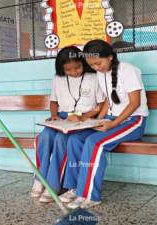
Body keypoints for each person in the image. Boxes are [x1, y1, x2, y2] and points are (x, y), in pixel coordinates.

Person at [64, 39, 149, 209]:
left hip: (133, 121)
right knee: (75, 139)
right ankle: (75, 188)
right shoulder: (101, 73)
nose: (96, 68)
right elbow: (107, 102)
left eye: (98, 63)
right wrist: (95, 120)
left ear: (110, 56)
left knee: (95, 143)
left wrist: (112, 124)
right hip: (111, 119)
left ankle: (89, 195)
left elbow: (134, 103)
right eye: (92, 65)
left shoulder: (128, 71)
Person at [31, 46, 105, 203]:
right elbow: (53, 101)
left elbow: (100, 105)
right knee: (44, 137)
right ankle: (40, 178)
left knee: (60, 140)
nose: (74, 72)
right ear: (61, 69)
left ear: (83, 63)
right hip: (63, 119)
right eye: (68, 70)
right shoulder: (58, 78)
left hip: (84, 120)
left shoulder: (94, 76)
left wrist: (83, 116)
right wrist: (54, 116)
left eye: (77, 67)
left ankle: (53, 185)